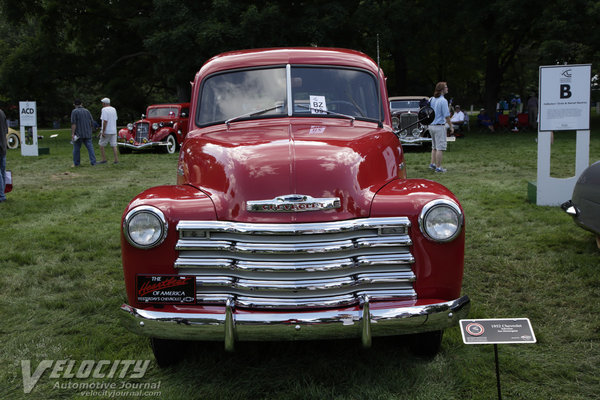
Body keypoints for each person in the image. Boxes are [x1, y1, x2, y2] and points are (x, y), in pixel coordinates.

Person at [428, 82, 453, 173]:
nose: (447, 88)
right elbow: (446, 116)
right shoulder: (443, 101)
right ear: (442, 89)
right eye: (446, 87)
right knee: (440, 148)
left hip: (431, 126)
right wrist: (451, 126)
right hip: (439, 127)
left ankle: (432, 164)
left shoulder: (431, 99)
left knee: (434, 147)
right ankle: (438, 168)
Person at [71, 99, 96, 167]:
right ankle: (93, 162)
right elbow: (91, 122)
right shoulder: (87, 111)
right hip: (87, 133)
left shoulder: (74, 111)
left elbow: (74, 123)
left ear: (74, 105)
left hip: (79, 134)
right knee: (90, 148)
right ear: (81, 104)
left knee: (76, 149)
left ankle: (76, 163)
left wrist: (73, 133)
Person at [98, 97, 119, 164]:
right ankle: (116, 160)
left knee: (101, 145)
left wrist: (103, 131)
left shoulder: (104, 109)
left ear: (104, 103)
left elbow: (105, 121)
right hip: (114, 130)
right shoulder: (113, 109)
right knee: (114, 145)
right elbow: (115, 119)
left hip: (107, 130)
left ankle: (104, 159)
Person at [0, 107, 7, 203]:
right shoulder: (2, 112)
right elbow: (6, 130)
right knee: (2, 171)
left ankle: (1, 195)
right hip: (3, 146)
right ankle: (2, 194)